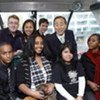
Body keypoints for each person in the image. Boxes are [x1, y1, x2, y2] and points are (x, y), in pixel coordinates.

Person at [16, 34, 54, 100]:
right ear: (31, 44)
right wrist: (33, 93)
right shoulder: (23, 62)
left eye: (41, 43)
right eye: (36, 43)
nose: (39, 46)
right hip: (32, 95)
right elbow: (20, 84)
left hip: (50, 95)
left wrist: (52, 86)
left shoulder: (48, 60)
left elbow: (55, 77)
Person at [81, 34, 100, 100]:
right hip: (88, 87)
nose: (90, 42)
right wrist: (89, 83)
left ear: (99, 43)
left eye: (93, 40)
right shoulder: (84, 57)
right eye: (89, 40)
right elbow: (80, 73)